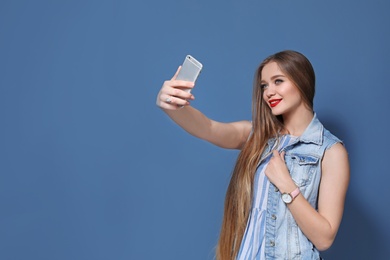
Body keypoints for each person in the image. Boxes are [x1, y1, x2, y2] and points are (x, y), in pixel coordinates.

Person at [156, 50, 350, 260]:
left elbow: (324, 238)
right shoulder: (256, 137)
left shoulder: (330, 151)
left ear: (302, 81)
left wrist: (287, 185)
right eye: (264, 85)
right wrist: (172, 105)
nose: (268, 92)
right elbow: (209, 128)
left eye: (278, 81)